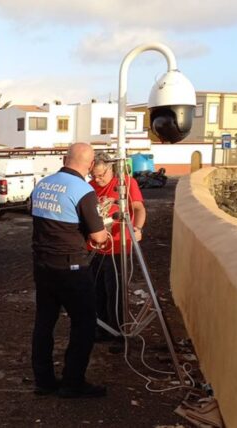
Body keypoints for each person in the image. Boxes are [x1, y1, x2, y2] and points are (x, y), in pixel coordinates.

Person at [30, 142, 109, 399]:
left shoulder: (43, 184)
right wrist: (103, 230)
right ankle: (72, 381)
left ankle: (43, 379)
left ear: (65, 159)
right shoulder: (83, 191)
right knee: (84, 323)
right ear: (89, 164)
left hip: (42, 265)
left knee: (45, 321)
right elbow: (98, 237)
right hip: (71, 267)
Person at [88, 153, 146, 342]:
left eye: (101, 175)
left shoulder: (126, 184)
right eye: (94, 176)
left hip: (118, 248)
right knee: (97, 291)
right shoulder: (90, 188)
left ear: (110, 169)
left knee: (116, 292)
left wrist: (137, 228)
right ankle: (101, 329)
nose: (98, 179)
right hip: (95, 248)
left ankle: (119, 333)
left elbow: (138, 208)